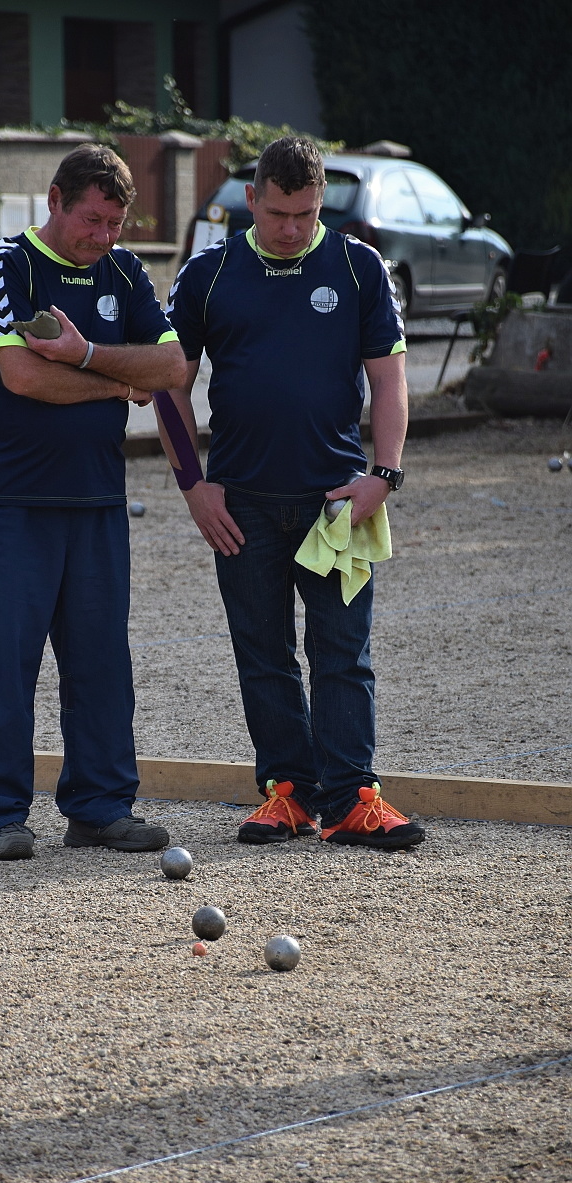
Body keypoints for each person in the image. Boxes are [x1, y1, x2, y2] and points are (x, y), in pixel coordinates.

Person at [156, 136, 425, 849]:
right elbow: (168, 387)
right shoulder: (208, 273)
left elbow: (390, 380)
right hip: (239, 503)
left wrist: (384, 475)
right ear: (251, 199)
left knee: (343, 652)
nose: (292, 228)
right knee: (263, 653)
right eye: (278, 214)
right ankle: (288, 793)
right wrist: (192, 486)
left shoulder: (359, 266)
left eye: (306, 214)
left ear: (321, 203)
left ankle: (353, 798)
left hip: (337, 503)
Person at [0, 143, 186, 859]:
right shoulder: (7, 265)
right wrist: (120, 383)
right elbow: (23, 376)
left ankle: (99, 808)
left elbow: (173, 366)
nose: (103, 236)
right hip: (12, 502)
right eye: (92, 220)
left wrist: (85, 354)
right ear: (55, 201)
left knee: (101, 665)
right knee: (4, 662)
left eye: (115, 223)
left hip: (97, 501)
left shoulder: (125, 270)